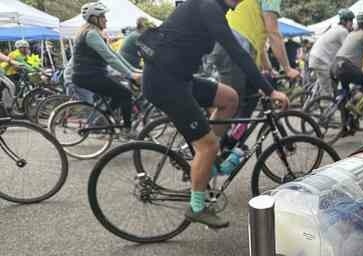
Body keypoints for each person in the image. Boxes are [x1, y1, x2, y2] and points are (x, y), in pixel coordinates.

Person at [141, 0, 288, 228]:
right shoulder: (208, 6)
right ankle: (197, 207)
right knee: (207, 146)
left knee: (230, 99)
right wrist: (270, 90)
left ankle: (208, 160)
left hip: (181, 79)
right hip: (165, 83)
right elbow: (236, 52)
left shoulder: (214, 8)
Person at [207, 0, 299, 120]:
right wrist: (287, 68)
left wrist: (268, 68)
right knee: (232, 104)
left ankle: (236, 130)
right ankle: (211, 131)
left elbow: (259, 44)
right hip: (235, 47)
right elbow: (273, 32)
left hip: (231, 44)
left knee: (252, 96)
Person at [72, 2, 141, 138]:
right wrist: (130, 74)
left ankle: (101, 120)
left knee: (119, 94)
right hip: (88, 76)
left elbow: (115, 55)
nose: (106, 19)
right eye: (103, 16)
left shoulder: (95, 33)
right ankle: (127, 130)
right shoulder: (91, 34)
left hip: (91, 75)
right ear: (94, 19)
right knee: (126, 94)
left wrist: (134, 70)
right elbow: (109, 58)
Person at [308, 9, 355, 96]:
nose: (352, 23)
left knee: (327, 81)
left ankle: (314, 98)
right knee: (327, 91)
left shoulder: (335, 28)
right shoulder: (343, 31)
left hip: (315, 57)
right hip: (322, 60)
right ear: (344, 21)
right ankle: (326, 102)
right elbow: (349, 49)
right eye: (350, 21)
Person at [330, 12, 363, 97]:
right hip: (347, 67)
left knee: (346, 94)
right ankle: (356, 100)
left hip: (334, 66)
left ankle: (343, 102)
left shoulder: (351, 33)